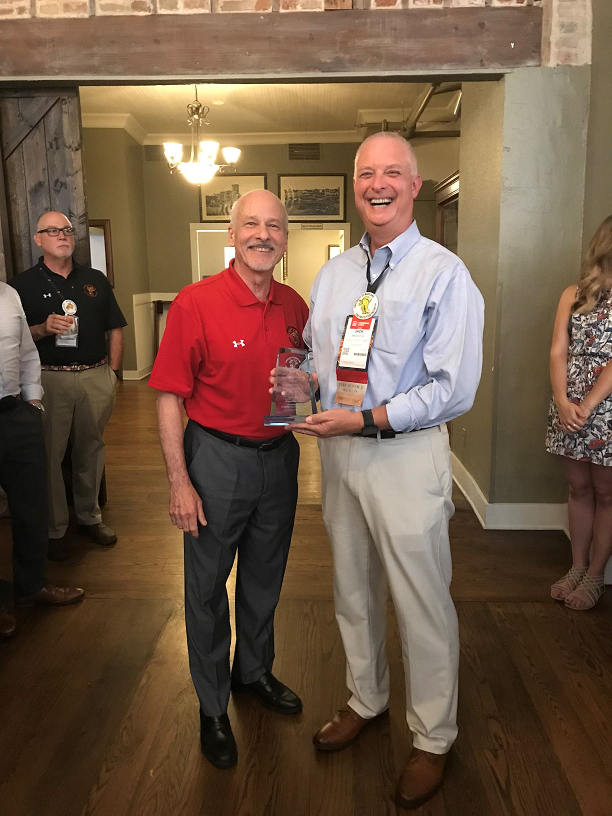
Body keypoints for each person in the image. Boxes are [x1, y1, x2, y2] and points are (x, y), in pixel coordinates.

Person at [292, 132, 484, 810]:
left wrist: (369, 419)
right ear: (355, 184)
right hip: (338, 454)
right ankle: (365, 699)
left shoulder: (443, 274)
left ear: (415, 182)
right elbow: (318, 361)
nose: (379, 183)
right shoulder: (335, 274)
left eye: (392, 172)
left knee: (421, 601)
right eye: (367, 172)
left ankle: (433, 737)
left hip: (405, 455)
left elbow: (453, 388)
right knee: (352, 588)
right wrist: (293, 391)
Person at [149, 190, 309, 770]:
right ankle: (213, 704)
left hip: (279, 459)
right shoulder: (196, 303)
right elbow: (169, 395)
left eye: (274, 226)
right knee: (207, 588)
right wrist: (178, 482)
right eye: (251, 225)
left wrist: (308, 406)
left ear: (285, 239)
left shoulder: (295, 304)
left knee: (265, 578)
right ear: (232, 235)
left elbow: (297, 381)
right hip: (215, 459)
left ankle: (254, 673)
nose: (263, 235)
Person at [10, 212, 126, 560]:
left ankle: (90, 517)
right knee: (49, 453)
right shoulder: (20, 286)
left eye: (66, 230)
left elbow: (115, 327)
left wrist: (113, 375)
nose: (62, 236)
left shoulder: (95, 280)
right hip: (49, 379)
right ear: (38, 239)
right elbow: (14, 339)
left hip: (95, 377)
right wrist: (43, 329)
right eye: (52, 231)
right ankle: (55, 526)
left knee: (90, 449)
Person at [0, 281, 84, 639]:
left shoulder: (9, 295)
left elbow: (25, 352)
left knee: (32, 505)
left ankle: (31, 585)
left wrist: (32, 402)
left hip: (15, 413)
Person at [547, 215, 612, 611]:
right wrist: (561, 400)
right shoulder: (573, 294)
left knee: (606, 492)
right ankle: (577, 566)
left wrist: (586, 405)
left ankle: (596, 575)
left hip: (604, 407)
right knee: (578, 488)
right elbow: (558, 349)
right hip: (568, 405)